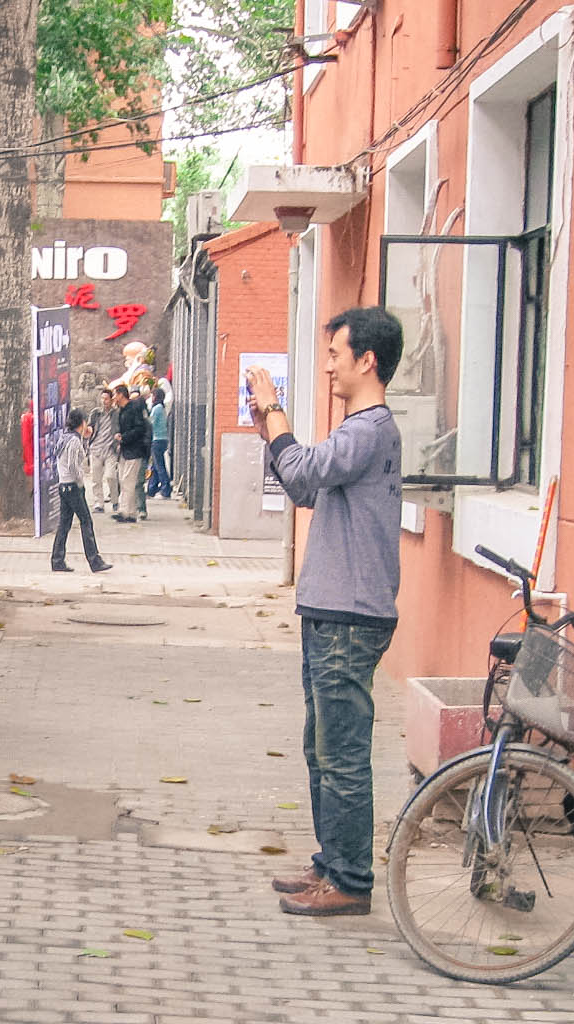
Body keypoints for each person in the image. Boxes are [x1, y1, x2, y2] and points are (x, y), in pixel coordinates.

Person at [247, 306, 405, 917]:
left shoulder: (369, 430)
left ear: (368, 359)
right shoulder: (358, 430)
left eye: (337, 354)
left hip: (349, 614)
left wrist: (276, 410)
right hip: (330, 609)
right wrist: (271, 429)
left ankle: (351, 881)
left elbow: (306, 470)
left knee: (341, 755)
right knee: (322, 748)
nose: (330, 365)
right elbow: (304, 485)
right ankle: (331, 863)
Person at [49, 408, 112, 574]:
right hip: (73, 486)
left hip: (63, 485)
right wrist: (80, 480)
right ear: (82, 423)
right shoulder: (74, 441)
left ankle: (57, 559)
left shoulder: (64, 437)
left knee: (64, 524)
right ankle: (94, 559)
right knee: (86, 521)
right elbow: (73, 464)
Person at [113, 383, 150, 522]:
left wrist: (124, 437)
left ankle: (125, 511)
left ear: (121, 395)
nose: (114, 397)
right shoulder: (121, 411)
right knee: (124, 480)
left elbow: (140, 429)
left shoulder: (133, 409)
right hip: (125, 450)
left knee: (128, 481)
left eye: (115, 394)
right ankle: (131, 512)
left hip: (134, 450)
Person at [87, 387, 120, 511]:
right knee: (96, 478)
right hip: (96, 448)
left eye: (106, 399)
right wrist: (89, 432)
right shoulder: (95, 413)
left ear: (111, 400)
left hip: (110, 449)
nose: (104, 401)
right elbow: (90, 427)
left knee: (111, 476)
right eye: (102, 398)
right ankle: (98, 503)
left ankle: (115, 501)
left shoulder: (116, 413)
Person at [146, 388, 172, 499]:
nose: (151, 398)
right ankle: (151, 490)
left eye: (152, 396)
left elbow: (150, 422)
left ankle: (166, 490)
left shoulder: (157, 409)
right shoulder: (161, 408)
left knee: (159, 466)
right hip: (162, 439)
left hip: (157, 439)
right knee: (155, 466)